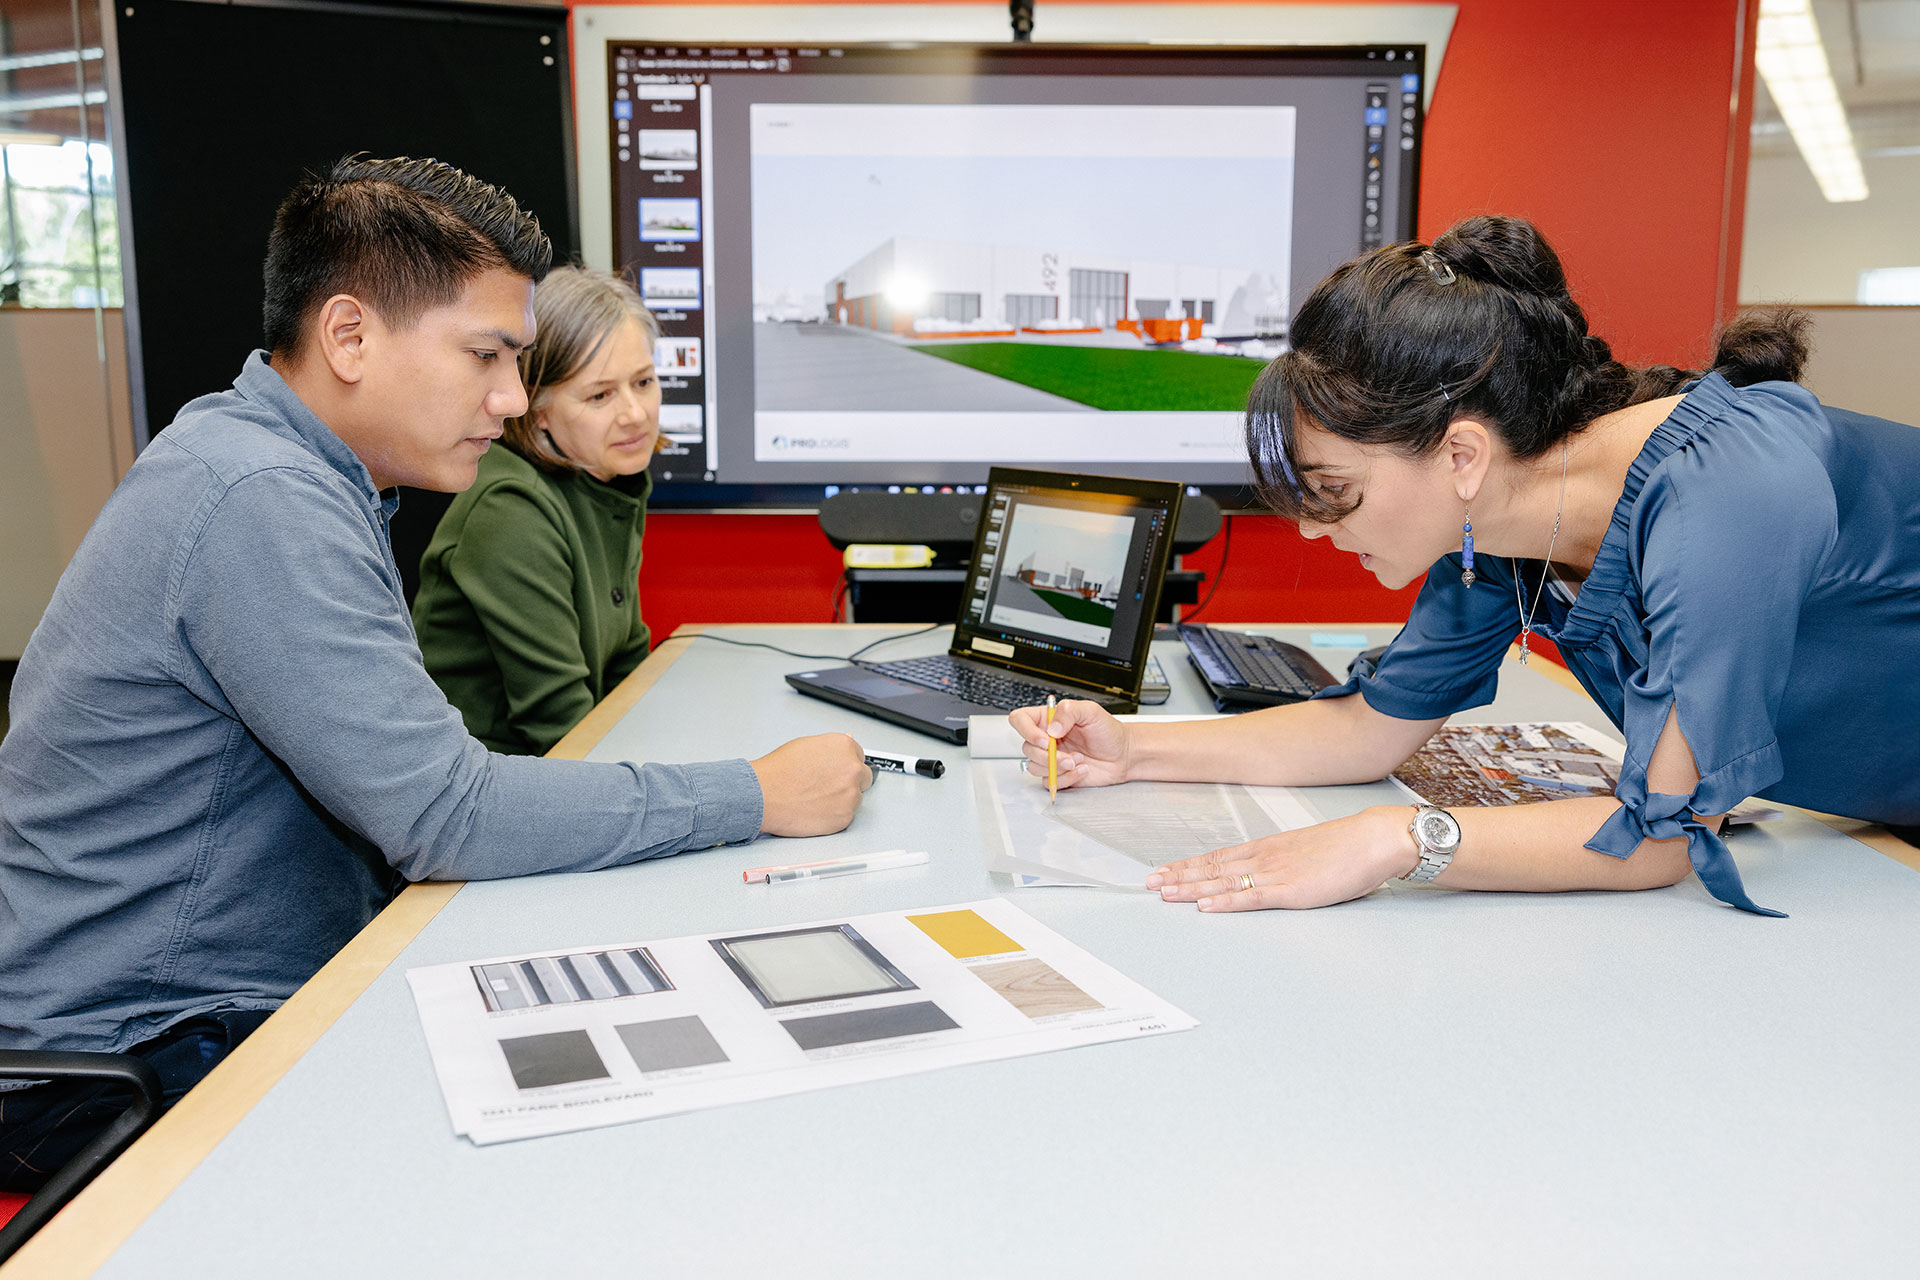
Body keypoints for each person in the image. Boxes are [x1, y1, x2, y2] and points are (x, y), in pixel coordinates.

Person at [0, 156, 869, 1191]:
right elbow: (445, 813)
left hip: (208, 998)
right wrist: (758, 792)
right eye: (487, 356)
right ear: (350, 336)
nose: (510, 398)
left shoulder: (282, 468)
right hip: (139, 1054)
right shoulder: (260, 498)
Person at [1011, 215, 1920, 916]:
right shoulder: (1500, 521)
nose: (1318, 532)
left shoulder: (1726, 499)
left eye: (1337, 491)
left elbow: (1663, 838)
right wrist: (1133, 749)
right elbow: (1372, 727)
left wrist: (1401, 839)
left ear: (1460, 454)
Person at [413, 266, 662, 755]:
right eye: (601, 395)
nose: (636, 414)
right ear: (538, 407)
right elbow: (562, 725)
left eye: (644, 381)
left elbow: (626, 662)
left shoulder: (609, 479)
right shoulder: (512, 509)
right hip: (489, 794)